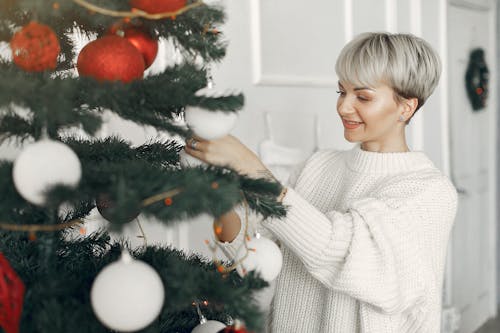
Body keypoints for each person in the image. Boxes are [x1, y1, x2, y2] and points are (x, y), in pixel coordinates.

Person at [184, 32, 458, 333]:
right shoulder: (318, 167)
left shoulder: (430, 193)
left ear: (406, 107)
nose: (343, 107)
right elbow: (254, 249)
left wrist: (253, 169)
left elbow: (339, 252)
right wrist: (217, 192)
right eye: (342, 92)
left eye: (362, 97)